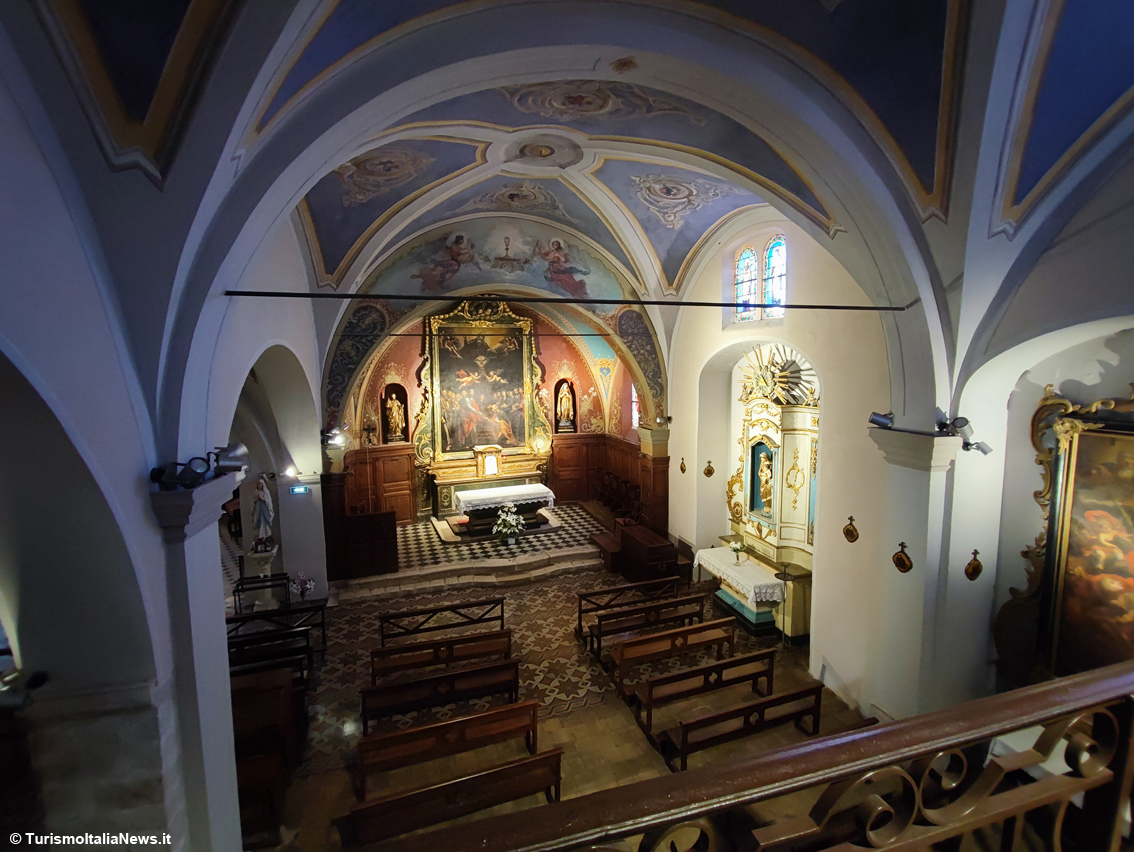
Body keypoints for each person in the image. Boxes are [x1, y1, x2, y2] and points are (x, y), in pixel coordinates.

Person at [252, 475, 274, 549]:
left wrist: (263, 498)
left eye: (260, 484)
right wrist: (256, 499)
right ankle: (261, 536)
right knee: (259, 521)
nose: (259, 485)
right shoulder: (255, 492)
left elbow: (269, 502)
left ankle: (265, 536)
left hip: (264, 510)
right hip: (258, 509)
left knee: (264, 522)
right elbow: (252, 502)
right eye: (258, 484)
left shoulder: (265, 492)